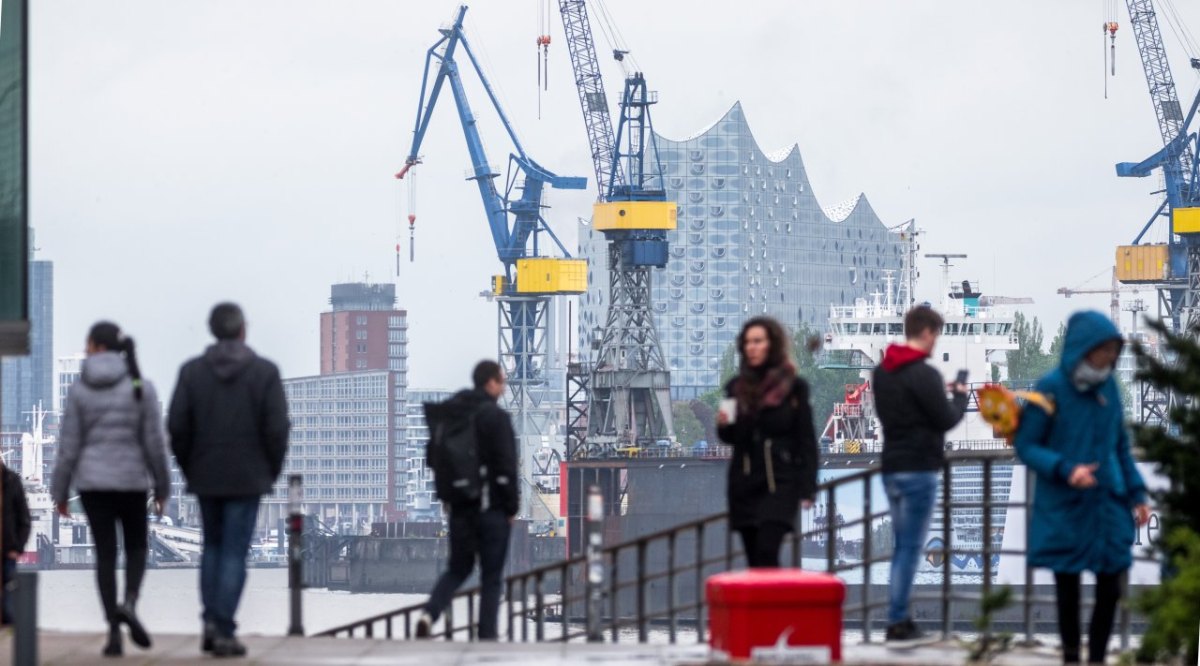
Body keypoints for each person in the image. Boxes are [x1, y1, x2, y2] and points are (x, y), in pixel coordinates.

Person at [1014, 311, 1150, 665]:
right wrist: (1065, 469)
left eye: (1112, 352)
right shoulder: (1050, 388)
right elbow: (1027, 446)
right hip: (1066, 504)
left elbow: (1120, 446)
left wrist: (1137, 494)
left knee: (1111, 585)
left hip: (1108, 504)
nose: (1109, 359)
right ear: (1083, 349)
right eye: (1103, 351)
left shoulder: (1109, 389)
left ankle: (1098, 658)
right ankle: (1073, 656)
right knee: (1067, 588)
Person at [168, 303, 289, 657]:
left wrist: (190, 467)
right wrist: (270, 470)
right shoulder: (265, 373)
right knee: (235, 552)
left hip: (206, 474)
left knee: (213, 548)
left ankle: (210, 620)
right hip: (248, 476)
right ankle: (223, 628)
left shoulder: (192, 373)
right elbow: (277, 429)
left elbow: (176, 426)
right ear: (242, 331)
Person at [50, 322, 171, 657]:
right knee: (136, 548)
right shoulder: (141, 387)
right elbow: (155, 445)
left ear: (95, 346)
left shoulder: (79, 391)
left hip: (93, 485)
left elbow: (68, 448)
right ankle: (130, 602)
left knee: (105, 554)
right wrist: (162, 487)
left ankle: (114, 633)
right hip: (133, 483)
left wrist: (59, 492)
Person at [872, 306, 967, 645]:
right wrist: (959, 398)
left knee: (901, 546)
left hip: (891, 467)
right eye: (936, 336)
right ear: (926, 332)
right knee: (911, 548)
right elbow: (944, 419)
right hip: (919, 469)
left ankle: (897, 617)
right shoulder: (924, 374)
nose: (934, 342)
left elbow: (897, 413)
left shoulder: (880, 373)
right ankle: (898, 621)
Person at [416, 360, 519, 640]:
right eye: (502, 381)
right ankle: (486, 638)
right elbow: (507, 465)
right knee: (491, 576)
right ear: (490, 383)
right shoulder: (496, 418)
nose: (504, 386)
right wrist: (511, 507)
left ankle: (429, 613)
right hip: (492, 510)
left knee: (457, 568)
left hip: (460, 507)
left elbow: (432, 457)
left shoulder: (453, 414)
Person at [716, 316, 819, 568]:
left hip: (779, 483)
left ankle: (774, 605)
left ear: (771, 344)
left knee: (767, 551)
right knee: (754, 560)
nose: (752, 347)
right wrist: (723, 424)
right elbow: (728, 437)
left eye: (758, 341)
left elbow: (806, 440)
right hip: (744, 483)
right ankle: (769, 606)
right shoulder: (734, 389)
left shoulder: (794, 388)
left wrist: (807, 487)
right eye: (748, 342)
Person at [1, 458, 31, 626]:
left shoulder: (12, 481)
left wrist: (17, 549)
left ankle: (11, 631)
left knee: (9, 598)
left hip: (8, 551)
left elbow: (24, 519)